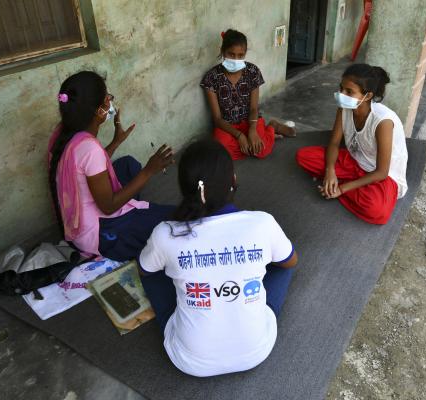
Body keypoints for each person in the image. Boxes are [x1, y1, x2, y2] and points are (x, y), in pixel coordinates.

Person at [138, 139, 298, 377]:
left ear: (184, 187)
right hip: (255, 351)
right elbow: (291, 262)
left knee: (151, 273)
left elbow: (145, 270)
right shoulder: (263, 223)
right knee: (285, 263)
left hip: (189, 360)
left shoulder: (165, 233)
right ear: (233, 180)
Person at [48, 71, 174, 261]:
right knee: (172, 220)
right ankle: (128, 229)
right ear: (99, 110)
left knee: (128, 165)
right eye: (107, 97)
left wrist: (115, 142)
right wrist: (149, 170)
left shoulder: (63, 133)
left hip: (75, 218)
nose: (110, 102)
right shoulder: (89, 148)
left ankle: (135, 214)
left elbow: (83, 169)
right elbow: (108, 206)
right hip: (97, 234)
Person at [295, 63, 408, 225]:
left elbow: (382, 172)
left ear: (367, 96)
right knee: (304, 157)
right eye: (341, 88)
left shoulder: (382, 122)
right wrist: (330, 170)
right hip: (354, 161)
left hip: (381, 176)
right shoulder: (344, 108)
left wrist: (341, 189)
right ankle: (340, 183)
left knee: (377, 211)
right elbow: (334, 143)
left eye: (349, 91)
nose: (341, 94)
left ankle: (339, 186)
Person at [200, 29, 296, 160]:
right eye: (231, 54)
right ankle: (257, 143)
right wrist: (239, 136)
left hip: (251, 120)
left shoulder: (252, 71)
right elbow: (217, 119)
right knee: (221, 151)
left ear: (245, 54)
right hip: (227, 126)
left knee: (262, 150)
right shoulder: (211, 78)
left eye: (240, 55)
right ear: (223, 52)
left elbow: (253, 108)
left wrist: (252, 130)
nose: (236, 59)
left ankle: (272, 127)